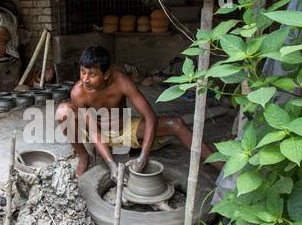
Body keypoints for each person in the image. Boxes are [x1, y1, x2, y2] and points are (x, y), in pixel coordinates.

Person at [56, 46, 221, 181]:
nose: (85, 79)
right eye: (83, 72)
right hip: (96, 133)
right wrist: (111, 164)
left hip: (125, 129)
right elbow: (93, 131)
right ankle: (84, 157)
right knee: (63, 111)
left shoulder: (121, 81)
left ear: (106, 74)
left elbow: (150, 116)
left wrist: (143, 156)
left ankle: (222, 168)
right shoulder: (78, 93)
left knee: (176, 124)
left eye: (92, 74)